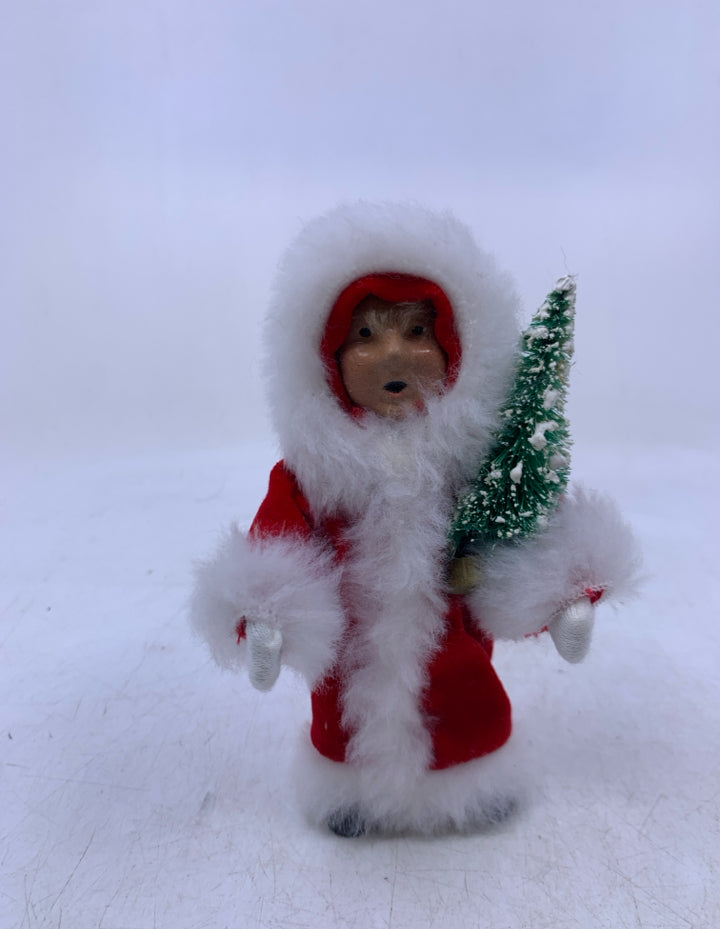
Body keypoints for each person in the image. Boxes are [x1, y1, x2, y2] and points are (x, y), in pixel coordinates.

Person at [191, 202, 639, 836]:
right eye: (366, 336)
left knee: (461, 704)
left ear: (455, 348)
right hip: (352, 654)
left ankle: (471, 782)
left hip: (451, 642)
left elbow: (529, 525)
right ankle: (351, 795)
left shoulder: (475, 466)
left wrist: (563, 596)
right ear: (326, 358)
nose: (392, 355)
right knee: (347, 718)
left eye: (415, 333)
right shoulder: (313, 474)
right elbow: (276, 542)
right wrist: (264, 614)